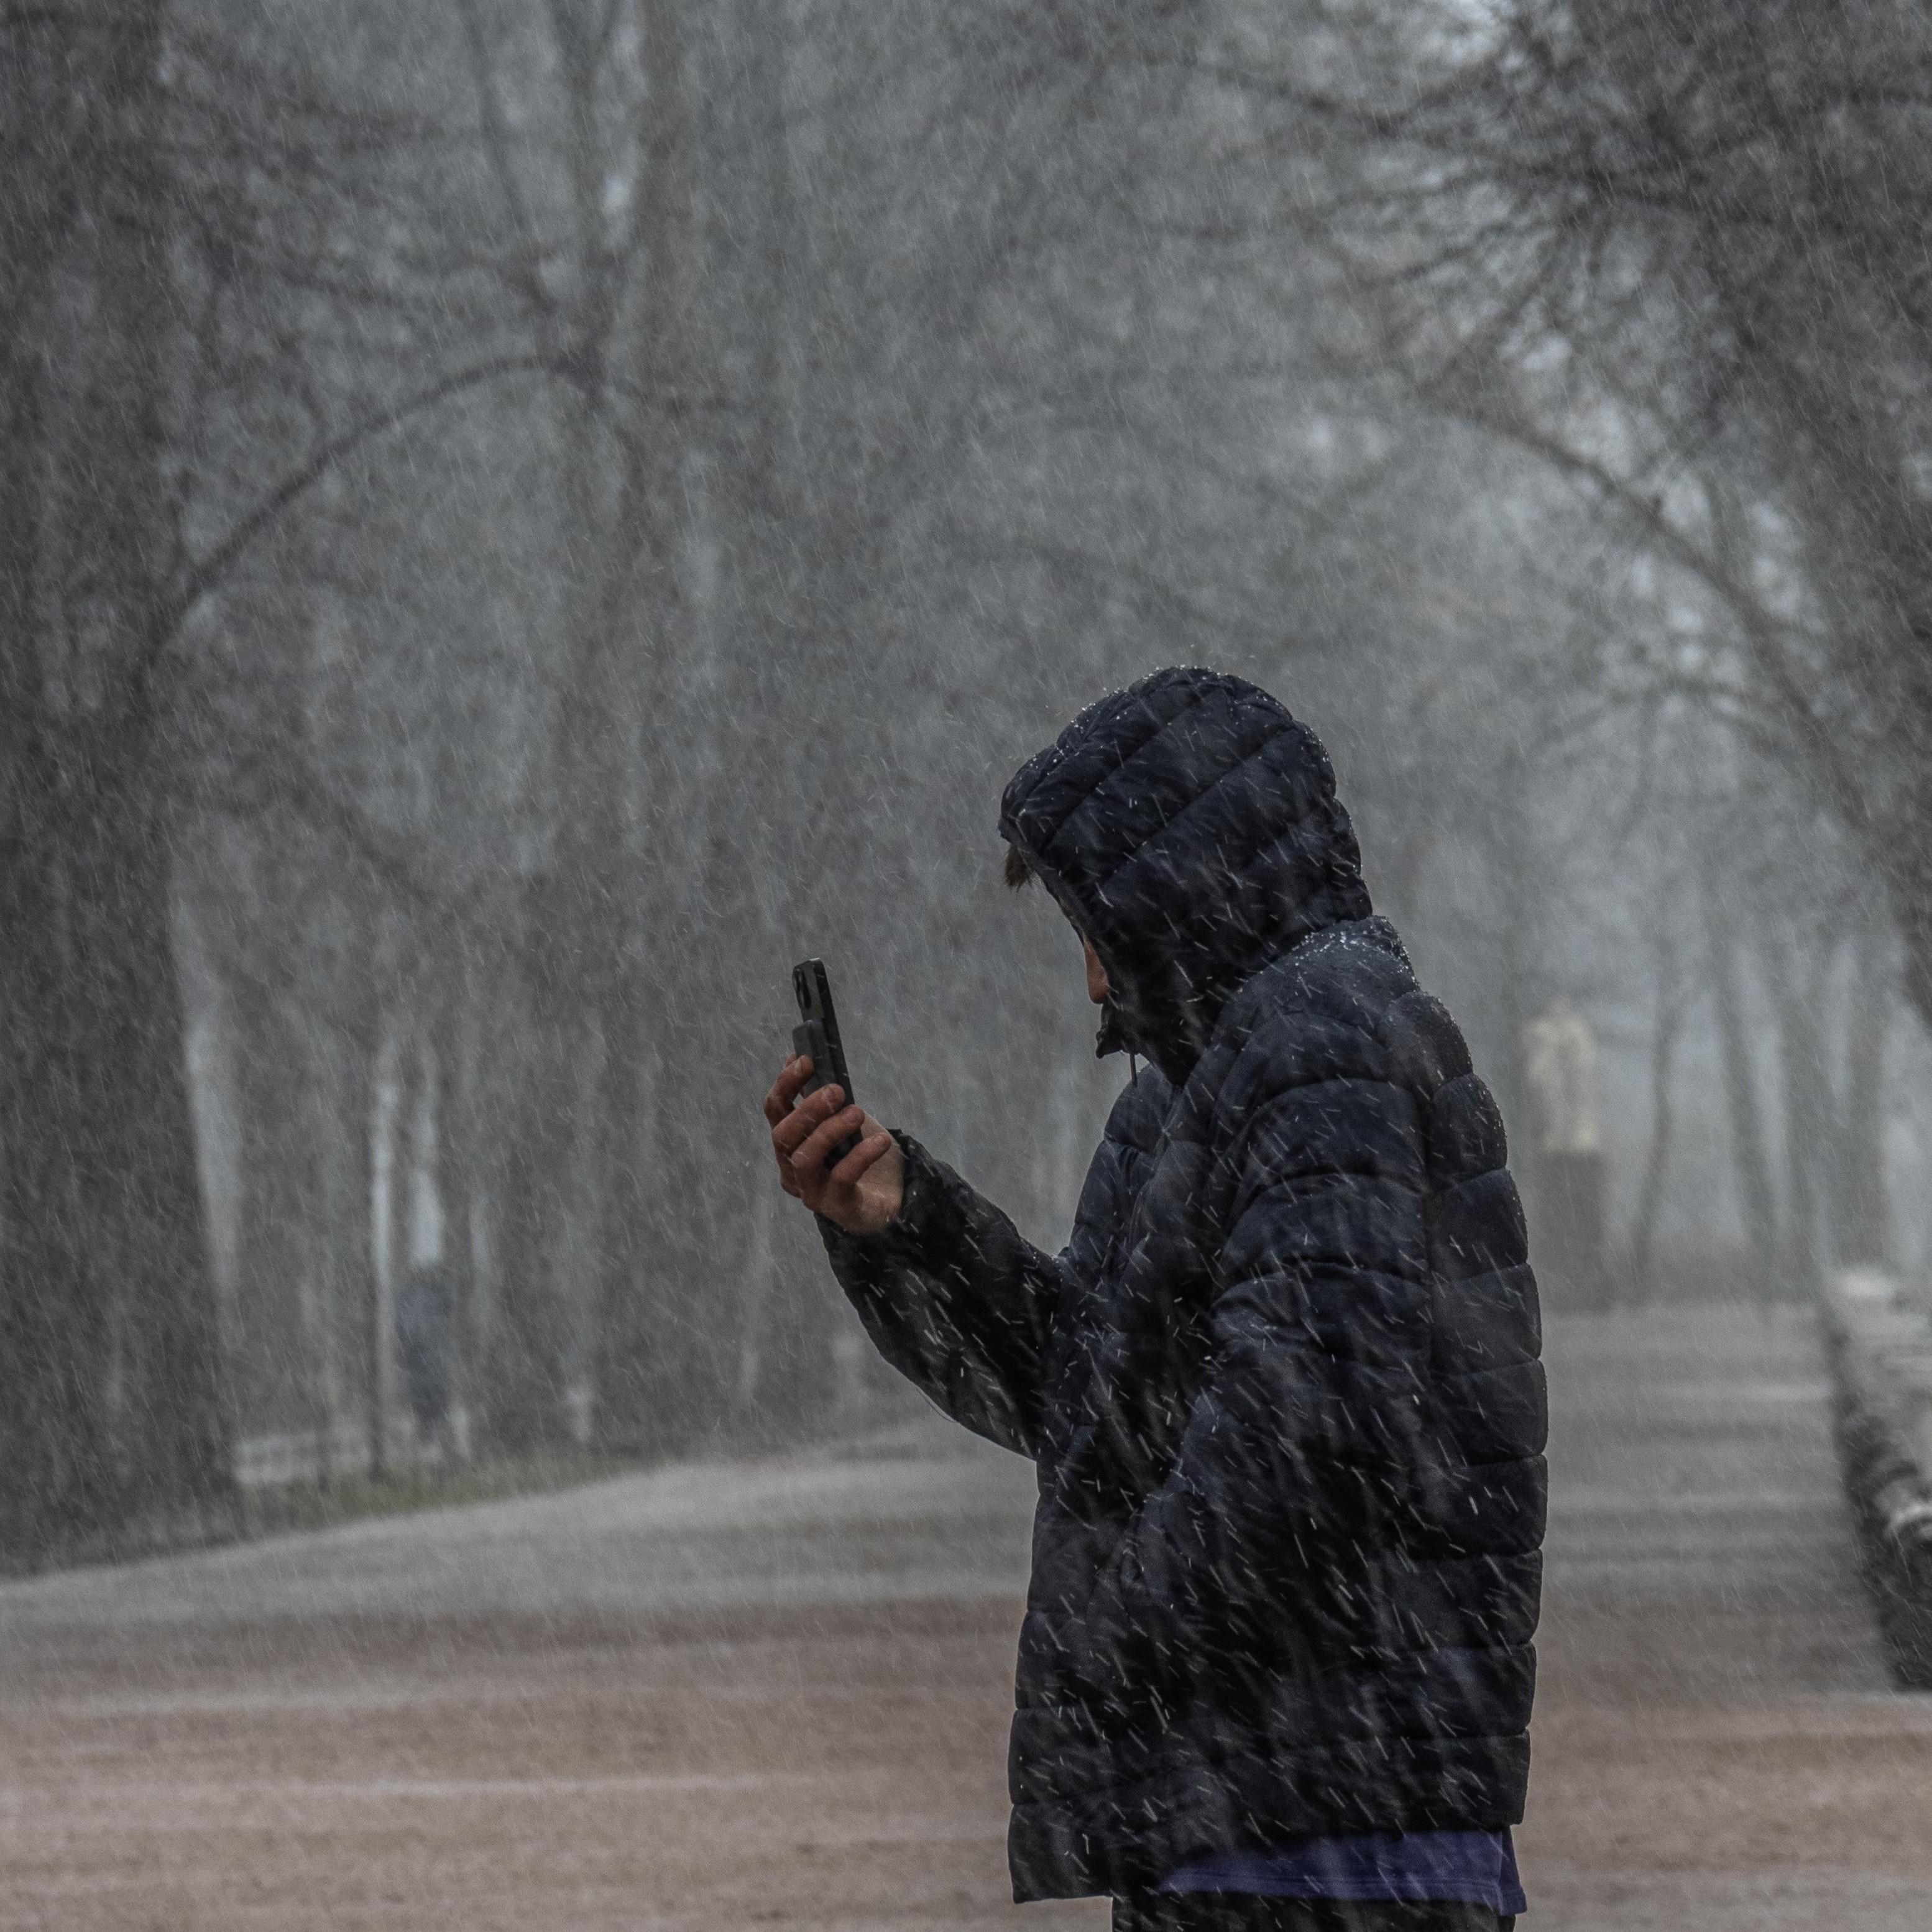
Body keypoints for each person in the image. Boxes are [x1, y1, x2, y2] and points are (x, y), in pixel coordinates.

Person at [763, 668, 1545, 1931]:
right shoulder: (1203, 1081)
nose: (1091, 980)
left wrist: (1113, 1636)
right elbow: (1102, 1408)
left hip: (1330, 1827)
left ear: (1183, 890)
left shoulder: (1323, 1040)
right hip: (1259, 1809)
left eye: (1096, 928)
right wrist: (910, 1223)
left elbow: (1302, 1429)